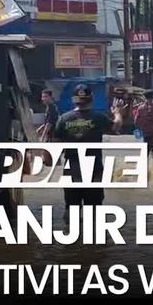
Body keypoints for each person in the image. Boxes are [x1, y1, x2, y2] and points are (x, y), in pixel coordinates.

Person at [53, 84, 125, 213]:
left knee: (71, 209)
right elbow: (116, 127)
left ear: (73, 100)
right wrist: (118, 113)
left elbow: (56, 145)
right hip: (94, 169)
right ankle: (92, 232)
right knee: (93, 210)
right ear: (91, 99)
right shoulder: (98, 117)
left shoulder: (63, 119)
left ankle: (71, 231)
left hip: (72, 170)